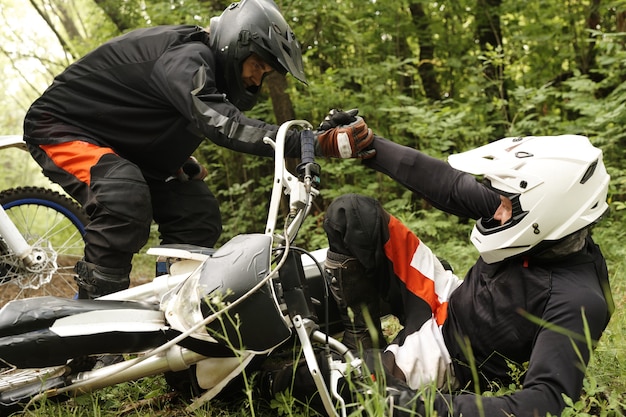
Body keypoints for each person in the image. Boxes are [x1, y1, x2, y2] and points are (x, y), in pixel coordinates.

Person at [22, 0, 374, 299]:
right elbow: (222, 124)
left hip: (120, 144)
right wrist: (307, 141)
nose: (256, 79)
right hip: (61, 126)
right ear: (237, 45)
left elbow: (158, 112)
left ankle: (171, 315)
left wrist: (176, 159)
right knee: (122, 196)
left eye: (265, 72)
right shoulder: (186, 57)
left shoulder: (205, 71)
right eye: (257, 66)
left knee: (197, 210)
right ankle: (93, 333)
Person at [319, 132, 614, 416]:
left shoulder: (576, 299)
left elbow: (546, 402)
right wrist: (370, 145)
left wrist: (415, 406)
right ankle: (361, 336)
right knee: (353, 213)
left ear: (545, 213)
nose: (496, 211)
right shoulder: (536, 218)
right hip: (450, 296)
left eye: (505, 204)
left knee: (344, 379)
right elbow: (450, 185)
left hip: (449, 356)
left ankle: (272, 382)